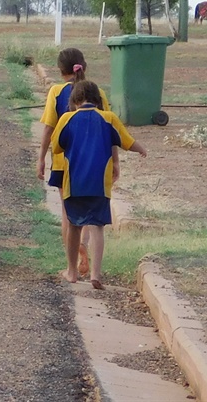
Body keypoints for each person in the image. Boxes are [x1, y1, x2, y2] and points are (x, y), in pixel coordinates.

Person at [51, 80, 148, 289]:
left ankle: (72, 271)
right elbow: (127, 141)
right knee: (97, 228)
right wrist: (141, 149)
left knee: (75, 226)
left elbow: (57, 146)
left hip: (74, 182)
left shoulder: (67, 118)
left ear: (75, 100)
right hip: (100, 184)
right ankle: (95, 274)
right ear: (98, 99)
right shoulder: (109, 118)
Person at [36, 48, 109, 278]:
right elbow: (108, 127)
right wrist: (114, 162)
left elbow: (48, 129)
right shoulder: (98, 93)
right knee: (91, 216)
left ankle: (73, 263)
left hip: (64, 163)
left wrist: (41, 158)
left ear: (60, 71)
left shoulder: (57, 92)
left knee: (69, 214)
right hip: (95, 163)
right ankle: (85, 248)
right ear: (84, 66)